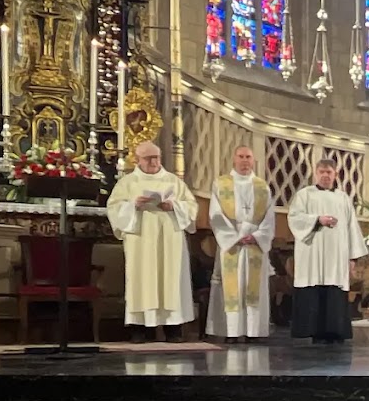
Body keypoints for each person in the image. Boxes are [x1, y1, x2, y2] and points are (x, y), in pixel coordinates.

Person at [107, 142, 196, 343]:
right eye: (149, 158)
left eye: (157, 157)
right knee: (142, 279)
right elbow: (113, 208)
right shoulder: (127, 183)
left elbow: (191, 206)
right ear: (137, 159)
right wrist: (133, 205)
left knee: (170, 279)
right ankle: (140, 329)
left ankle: (173, 328)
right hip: (141, 239)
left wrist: (174, 206)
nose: (154, 162)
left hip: (170, 237)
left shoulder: (173, 181)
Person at [287, 159, 369, 344]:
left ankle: (335, 331)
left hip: (336, 255)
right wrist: (317, 219)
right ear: (316, 173)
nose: (325, 175)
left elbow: (352, 228)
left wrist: (352, 257)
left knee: (334, 288)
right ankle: (310, 330)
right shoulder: (304, 195)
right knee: (313, 285)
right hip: (312, 253)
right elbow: (294, 218)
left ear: (335, 174)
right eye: (322, 172)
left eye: (329, 172)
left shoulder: (343, 198)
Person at [207, 146, 276, 343]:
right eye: (241, 157)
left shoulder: (262, 187)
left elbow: (269, 218)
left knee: (252, 288)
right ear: (233, 159)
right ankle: (232, 332)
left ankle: (253, 332)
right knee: (232, 288)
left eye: (248, 157)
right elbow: (215, 214)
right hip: (232, 243)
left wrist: (256, 236)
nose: (244, 161)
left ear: (253, 160)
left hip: (255, 244)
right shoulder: (221, 184)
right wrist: (235, 237)